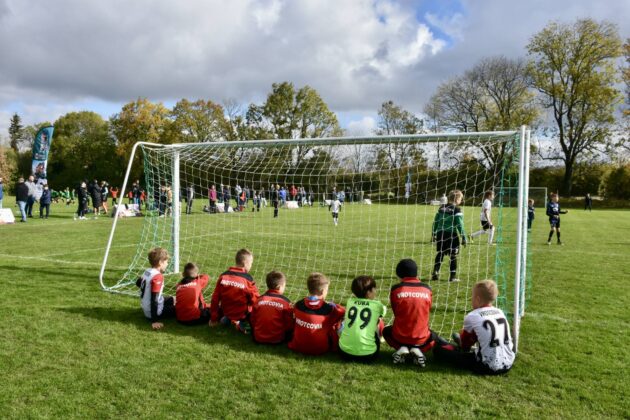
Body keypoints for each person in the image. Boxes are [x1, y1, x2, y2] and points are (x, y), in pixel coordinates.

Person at [434, 280, 515, 374]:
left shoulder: (472, 315)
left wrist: (463, 340)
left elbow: (465, 345)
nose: (471, 299)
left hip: (486, 366)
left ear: (478, 299)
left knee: (438, 351)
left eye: (472, 297)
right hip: (509, 363)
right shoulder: (500, 312)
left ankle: (453, 347)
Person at [383, 259, 447, 367]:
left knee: (386, 331)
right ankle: (417, 349)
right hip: (422, 339)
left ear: (399, 274)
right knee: (434, 337)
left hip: (399, 337)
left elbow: (396, 312)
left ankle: (402, 348)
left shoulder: (396, 289)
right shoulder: (427, 289)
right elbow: (427, 310)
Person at [288, 272, 345, 356]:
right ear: (322, 291)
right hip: (320, 349)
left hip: (297, 346)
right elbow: (342, 312)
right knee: (338, 324)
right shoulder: (329, 309)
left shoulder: (298, 304)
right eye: (327, 290)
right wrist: (333, 304)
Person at [209, 249, 259, 333]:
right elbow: (255, 300)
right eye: (251, 263)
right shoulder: (248, 280)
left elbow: (215, 298)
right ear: (245, 263)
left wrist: (213, 318)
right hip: (241, 314)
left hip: (227, 312)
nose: (251, 265)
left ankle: (227, 319)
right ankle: (240, 323)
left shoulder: (223, 276)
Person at [338, 276, 386, 363]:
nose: (376, 291)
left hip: (343, 353)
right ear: (368, 292)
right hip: (368, 356)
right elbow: (383, 313)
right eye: (374, 289)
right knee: (378, 320)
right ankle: (380, 338)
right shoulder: (377, 305)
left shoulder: (350, 302)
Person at [136, 247, 176, 330]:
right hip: (154, 313)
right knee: (181, 308)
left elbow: (138, 283)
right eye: (166, 262)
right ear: (160, 262)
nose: (167, 264)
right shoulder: (158, 277)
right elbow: (154, 299)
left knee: (174, 299)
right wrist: (155, 321)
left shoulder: (147, 271)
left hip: (146, 307)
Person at [431, 190, 467, 282]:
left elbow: (436, 221)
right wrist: (463, 237)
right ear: (457, 199)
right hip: (451, 234)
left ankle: (435, 271)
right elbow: (460, 224)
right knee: (453, 255)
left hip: (440, 233)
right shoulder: (457, 210)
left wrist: (433, 233)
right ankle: (452, 277)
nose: (461, 201)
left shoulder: (441, 208)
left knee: (441, 252)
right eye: (461, 199)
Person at [250, 271, 294, 344]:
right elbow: (289, 325)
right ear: (279, 287)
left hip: (258, 338)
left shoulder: (259, 300)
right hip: (277, 340)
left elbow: (252, 320)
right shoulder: (286, 302)